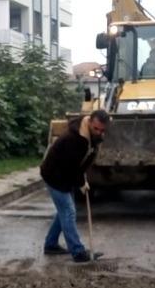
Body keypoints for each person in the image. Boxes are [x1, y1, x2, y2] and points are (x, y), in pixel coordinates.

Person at [40, 109, 111, 263]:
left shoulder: (91, 136)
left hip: (64, 175)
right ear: (90, 122)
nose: (99, 132)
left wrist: (81, 178)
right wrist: (80, 183)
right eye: (96, 128)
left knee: (64, 211)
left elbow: (81, 162)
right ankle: (78, 252)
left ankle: (50, 245)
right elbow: (71, 167)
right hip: (54, 175)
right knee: (69, 212)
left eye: (102, 130)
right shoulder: (75, 138)